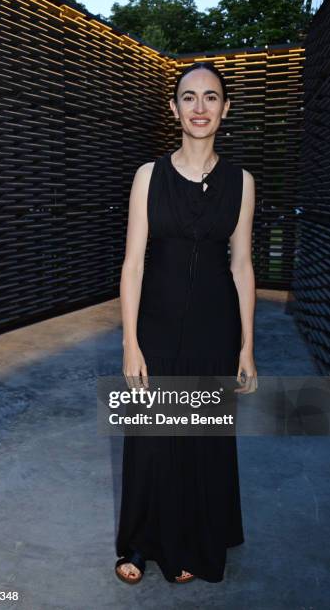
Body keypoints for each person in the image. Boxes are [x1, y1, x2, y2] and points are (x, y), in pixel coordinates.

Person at [115, 62, 257, 584]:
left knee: (201, 438)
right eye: (189, 97)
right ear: (173, 108)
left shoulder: (242, 182)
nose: (200, 108)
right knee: (152, 438)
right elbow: (132, 263)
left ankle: (194, 544)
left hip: (214, 328)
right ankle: (140, 542)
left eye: (211, 98)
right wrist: (130, 342)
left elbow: (241, 265)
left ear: (225, 109)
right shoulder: (148, 177)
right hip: (156, 324)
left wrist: (246, 347)